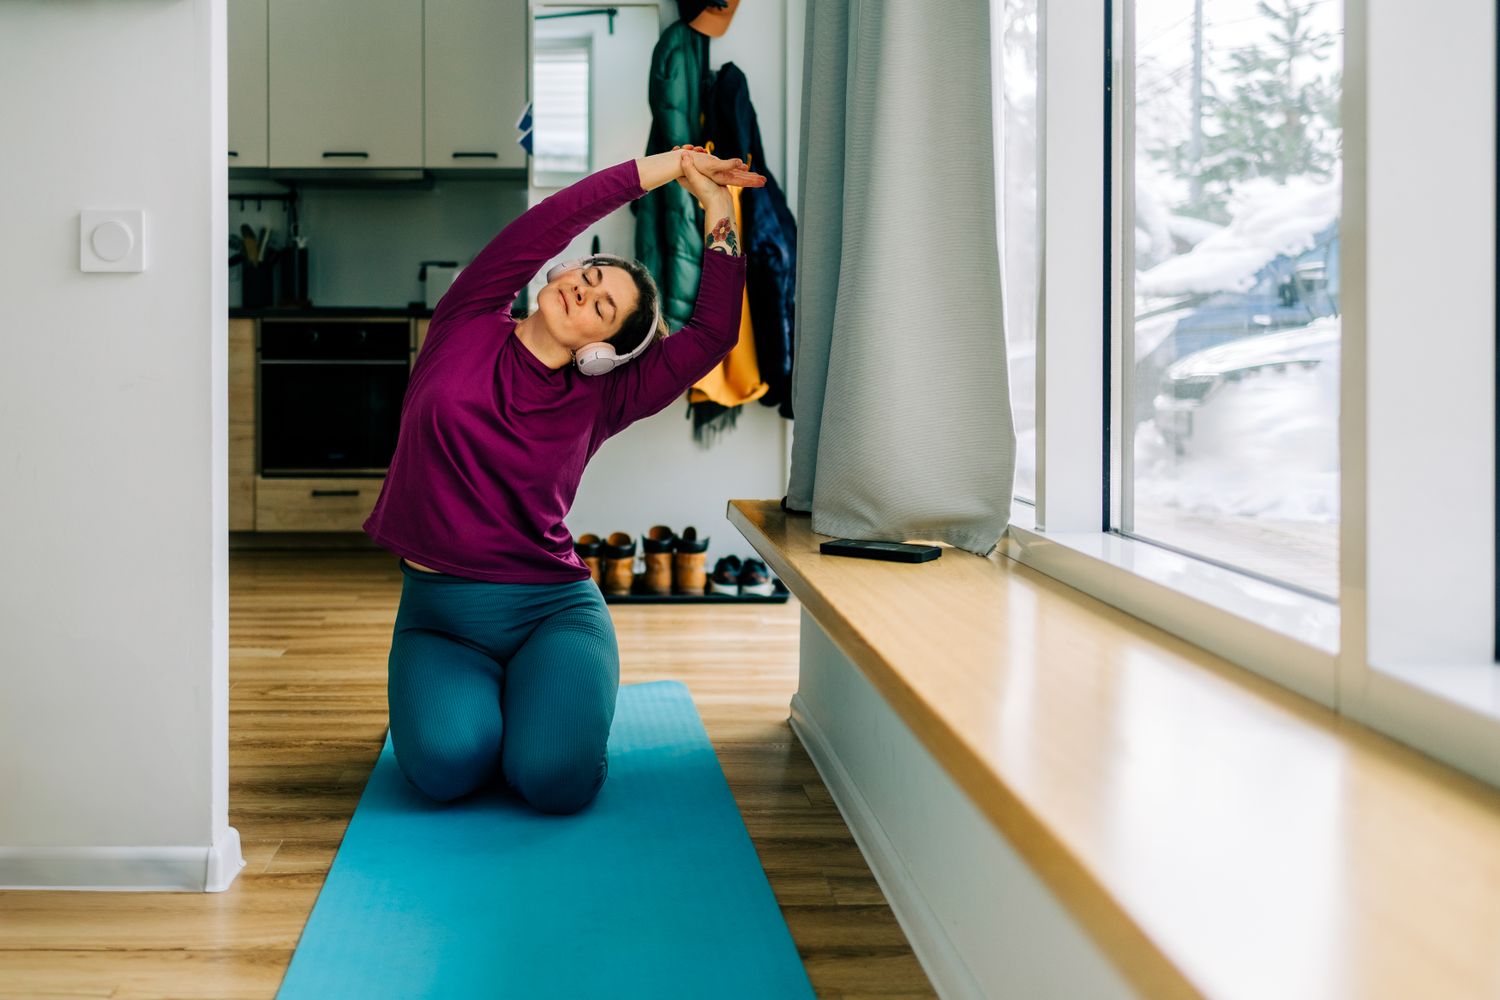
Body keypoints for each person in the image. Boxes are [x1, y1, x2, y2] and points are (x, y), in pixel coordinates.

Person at [361, 148, 756, 815]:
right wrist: (670, 165)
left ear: (602, 351)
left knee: (554, 781)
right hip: (439, 618)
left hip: (551, 610)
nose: (586, 290)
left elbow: (714, 332)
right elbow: (551, 219)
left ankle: (545, 698)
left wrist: (719, 208)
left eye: (603, 308)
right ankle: (501, 706)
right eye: (592, 274)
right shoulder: (465, 320)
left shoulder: (605, 396)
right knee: (445, 769)